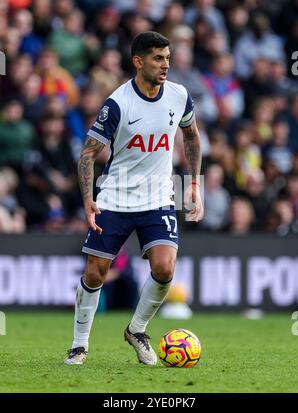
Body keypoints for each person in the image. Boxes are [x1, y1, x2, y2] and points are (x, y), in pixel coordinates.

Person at [64, 31, 203, 366]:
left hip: (158, 197)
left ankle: (137, 329)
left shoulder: (179, 96)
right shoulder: (118, 103)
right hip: (116, 196)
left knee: (165, 268)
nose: (165, 64)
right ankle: (79, 344)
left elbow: (192, 137)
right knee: (96, 272)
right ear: (138, 62)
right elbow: (87, 155)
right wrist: (87, 199)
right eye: (158, 58)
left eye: (168, 57)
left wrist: (195, 184)